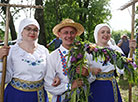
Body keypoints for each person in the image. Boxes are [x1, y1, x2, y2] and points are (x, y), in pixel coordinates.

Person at [44, 18, 95, 102]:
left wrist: (88, 74)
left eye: (72, 32)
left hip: (82, 98)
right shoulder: (53, 56)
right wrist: (70, 86)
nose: (69, 36)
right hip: (61, 99)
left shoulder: (84, 54)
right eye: (65, 32)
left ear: (76, 34)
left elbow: (92, 78)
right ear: (59, 35)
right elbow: (48, 85)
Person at [0, 18, 50, 102]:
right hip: (16, 95)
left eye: (35, 30)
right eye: (28, 29)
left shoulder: (43, 51)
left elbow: (49, 72)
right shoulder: (12, 50)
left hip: (38, 96)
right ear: (21, 31)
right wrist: (1, 59)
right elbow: (5, 77)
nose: (32, 32)